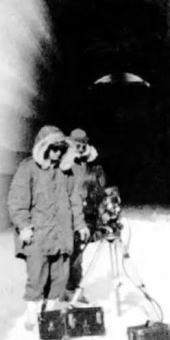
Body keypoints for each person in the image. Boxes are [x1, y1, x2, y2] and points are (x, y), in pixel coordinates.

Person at [7, 125, 89, 330]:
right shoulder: (28, 168)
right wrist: (24, 226)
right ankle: (32, 314)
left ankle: (51, 315)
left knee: (60, 277)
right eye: (53, 148)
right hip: (38, 235)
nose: (57, 152)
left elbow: (74, 200)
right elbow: (17, 201)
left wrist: (79, 224)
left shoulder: (67, 172)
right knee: (37, 277)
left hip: (62, 234)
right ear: (43, 148)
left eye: (61, 148)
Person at [63, 128, 104, 301]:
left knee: (78, 254)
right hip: (66, 214)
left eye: (82, 146)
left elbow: (97, 188)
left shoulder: (91, 165)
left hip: (84, 214)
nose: (79, 149)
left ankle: (74, 289)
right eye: (76, 145)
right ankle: (63, 288)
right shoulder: (64, 164)